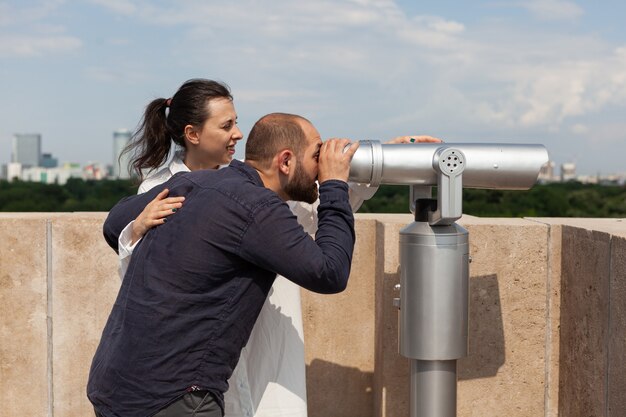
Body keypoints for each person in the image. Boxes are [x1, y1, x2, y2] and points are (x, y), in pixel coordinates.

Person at [116, 79, 443, 417]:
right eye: (227, 125)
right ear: (193, 134)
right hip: (189, 365)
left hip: (261, 346)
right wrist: (135, 228)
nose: (238, 134)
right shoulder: (160, 190)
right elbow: (140, 273)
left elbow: (317, 209)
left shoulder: (258, 185)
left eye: (237, 122)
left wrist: (389, 156)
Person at [88, 113, 360, 417]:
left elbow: (113, 224)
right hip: (174, 399)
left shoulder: (192, 181)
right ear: (285, 161)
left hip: (114, 386)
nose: (319, 170)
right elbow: (330, 273)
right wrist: (335, 185)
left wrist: (140, 222)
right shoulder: (259, 206)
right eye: (316, 156)